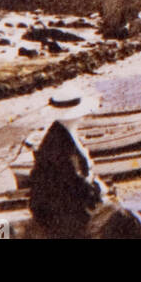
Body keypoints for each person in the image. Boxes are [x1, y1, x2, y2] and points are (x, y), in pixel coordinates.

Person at [29, 88, 111, 238]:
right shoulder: (60, 143)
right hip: (62, 214)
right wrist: (99, 192)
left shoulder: (63, 132)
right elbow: (74, 181)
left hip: (64, 204)